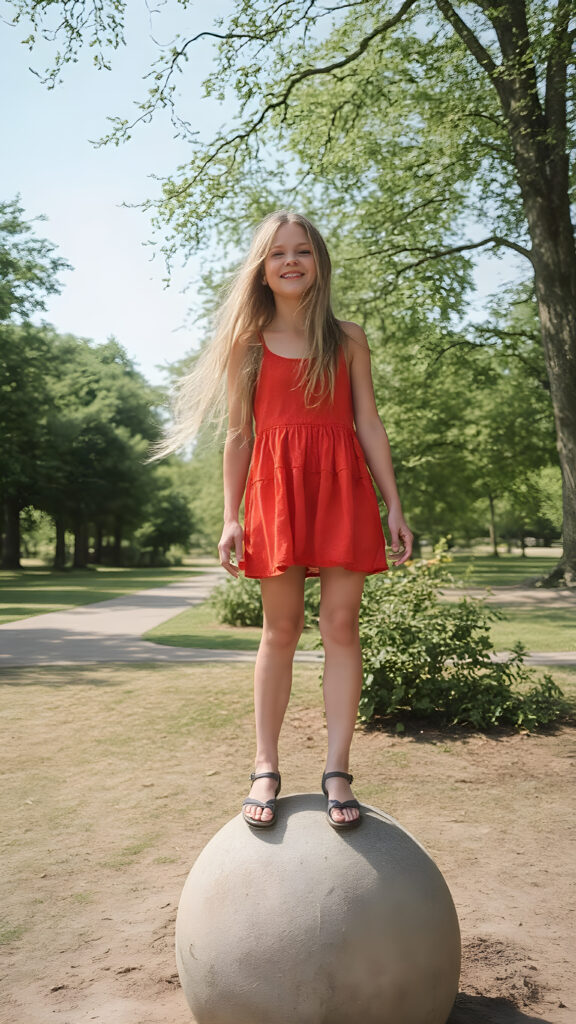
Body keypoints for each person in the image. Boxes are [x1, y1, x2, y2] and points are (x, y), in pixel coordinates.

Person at [164, 210, 412, 831]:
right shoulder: (246, 345)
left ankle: (336, 769)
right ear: (263, 269)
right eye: (278, 254)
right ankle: (265, 766)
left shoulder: (348, 338)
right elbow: (240, 436)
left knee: (341, 626)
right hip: (275, 491)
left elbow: (369, 425)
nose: (291, 260)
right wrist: (230, 517)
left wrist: (395, 504)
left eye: (303, 251)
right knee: (279, 630)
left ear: (319, 263)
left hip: (341, 488)